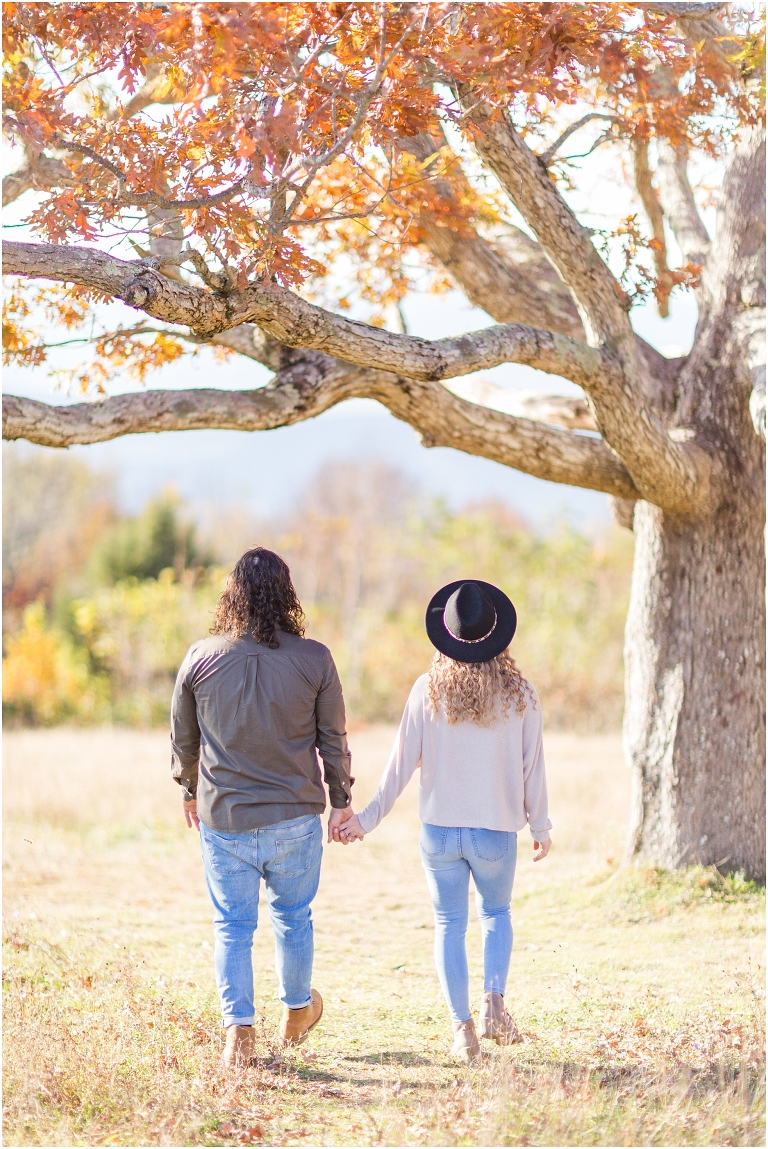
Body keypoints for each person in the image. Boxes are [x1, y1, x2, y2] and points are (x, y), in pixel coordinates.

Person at [336, 580, 552, 1063]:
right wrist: (540, 826)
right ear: (498, 633)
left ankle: (463, 1032)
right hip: (496, 831)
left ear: (447, 634)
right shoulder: (521, 694)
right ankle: (494, 1003)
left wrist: (365, 820)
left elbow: (398, 766)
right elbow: (532, 766)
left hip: (439, 834)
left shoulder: (426, 690)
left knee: (449, 923)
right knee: (495, 915)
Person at [171, 547, 356, 1067]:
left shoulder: (200, 657)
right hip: (295, 817)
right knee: (294, 917)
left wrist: (189, 789)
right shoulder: (314, 657)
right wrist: (341, 801)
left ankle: (238, 1034)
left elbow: (183, 740)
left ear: (232, 594)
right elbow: (333, 740)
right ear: (286, 595)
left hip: (224, 816)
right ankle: (297, 1012)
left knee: (232, 925)